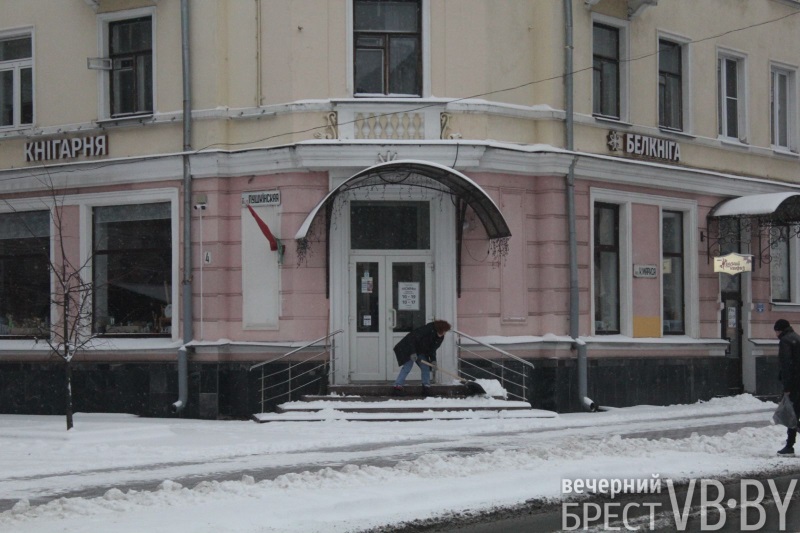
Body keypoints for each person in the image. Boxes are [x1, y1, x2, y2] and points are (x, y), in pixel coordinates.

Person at [393, 319, 451, 397]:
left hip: (420, 350)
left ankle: (426, 387)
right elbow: (412, 339)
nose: (444, 333)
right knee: (407, 367)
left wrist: (433, 361)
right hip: (408, 347)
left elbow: (432, 349)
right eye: (444, 331)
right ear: (440, 329)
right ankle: (397, 387)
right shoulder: (427, 329)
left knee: (425, 367)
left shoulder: (440, 337)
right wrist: (412, 352)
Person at [775, 318, 800, 455]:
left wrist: (787, 387)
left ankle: (789, 446)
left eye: (776, 331)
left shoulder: (785, 341)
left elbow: (786, 365)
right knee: (795, 414)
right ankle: (789, 445)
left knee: (792, 415)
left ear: (779, 330)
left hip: (794, 384)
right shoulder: (797, 338)